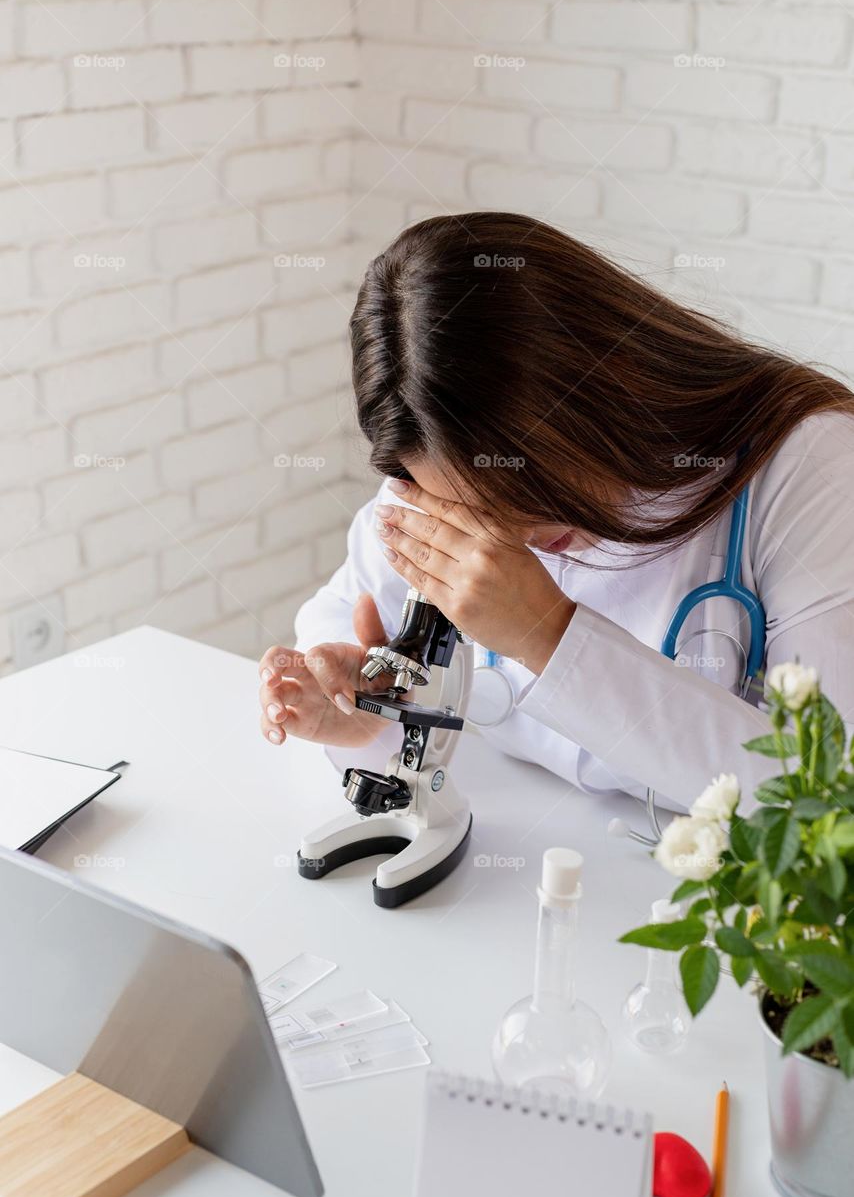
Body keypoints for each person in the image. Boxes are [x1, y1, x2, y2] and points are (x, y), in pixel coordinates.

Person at [258, 211, 854, 811]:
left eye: (523, 488)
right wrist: (359, 697)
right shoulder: (438, 460)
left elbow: (828, 798)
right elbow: (345, 609)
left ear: (602, 393)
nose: (508, 535)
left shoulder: (813, 466)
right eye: (467, 506)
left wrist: (546, 634)